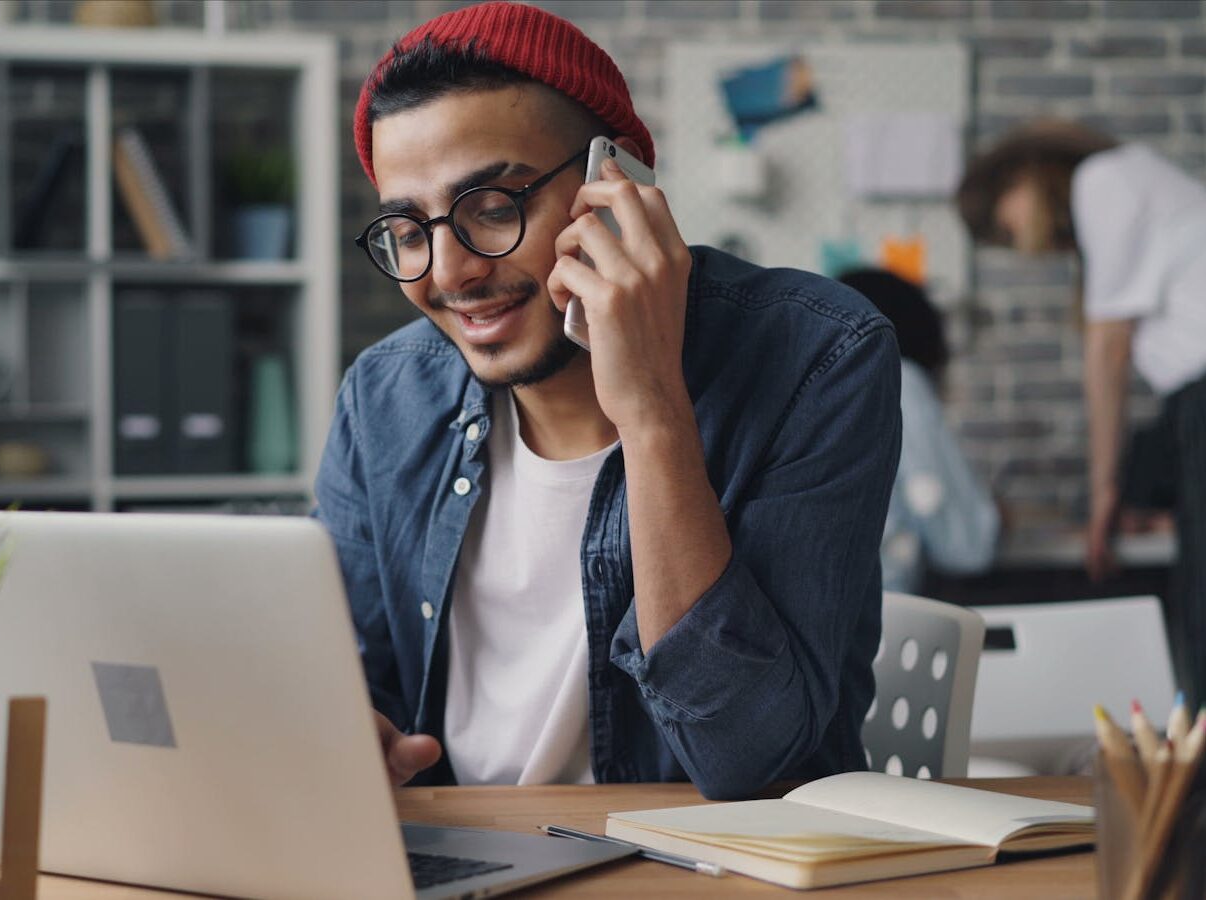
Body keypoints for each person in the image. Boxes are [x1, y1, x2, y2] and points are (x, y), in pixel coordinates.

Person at [314, 1, 900, 800]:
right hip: (463, 860)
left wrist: (654, 411)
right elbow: (350, 688)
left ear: (613, 183)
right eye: (408, 230)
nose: (449, 274)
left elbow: (750, 762)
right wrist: (349, 735)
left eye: (492, 207)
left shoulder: (819, 356)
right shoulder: (385, 396)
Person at [956, 120, 1206, 705]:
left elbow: (1108, 348)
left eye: (1002, 223)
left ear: (1022, 176)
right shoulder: (1136, 178)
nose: (1019, 241)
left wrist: (1103, 493)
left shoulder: (1103, 180)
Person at [838, 268, 999, 595]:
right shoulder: (898, 380)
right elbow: (968, 544)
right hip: (880, 621)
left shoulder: (819, 387)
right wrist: (992, 516)